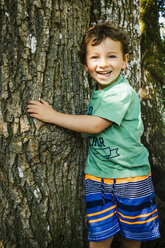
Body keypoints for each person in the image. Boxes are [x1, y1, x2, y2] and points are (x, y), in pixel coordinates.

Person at [27, 22, 160, 248]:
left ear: (125, 60)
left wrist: (52, 115)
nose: (103, 64)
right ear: (85, 64)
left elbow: (97, 125)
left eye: (111, 57)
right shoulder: (99, 92)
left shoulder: (122, 92)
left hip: (131, 177)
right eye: (95, 57)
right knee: (99, 237)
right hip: (97, 178)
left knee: (131, 238)